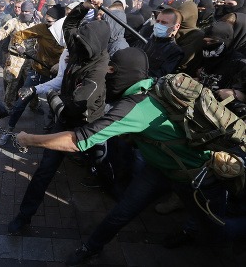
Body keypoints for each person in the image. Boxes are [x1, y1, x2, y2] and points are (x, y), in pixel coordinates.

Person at [15, 47, 243, 266]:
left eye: (112, 71)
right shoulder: (155, 84)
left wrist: (29, 139)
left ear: (124, 73)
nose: (108, 78)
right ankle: (91, 248)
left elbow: (78, 140)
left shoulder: (136, 106)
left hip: (197, 177)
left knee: (217, 230)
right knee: (122, 212)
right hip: (158, 169)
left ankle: (194, 232)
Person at [7, 0, 111, 236]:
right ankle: (23, 218)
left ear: (95, 46)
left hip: (87, 124)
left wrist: (54, 99)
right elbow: (69, 26)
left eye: (82, 45)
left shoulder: (97, 71)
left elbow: (75, 105)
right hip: (65, 119)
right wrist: (85, 8)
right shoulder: (78, 45)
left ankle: (110, 185)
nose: (75, 47)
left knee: (100, 159)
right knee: (45, 170)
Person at [0, 4, 66, 146]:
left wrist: (61, 64)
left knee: (56, 106)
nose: (46, 23)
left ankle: (53, 133)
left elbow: (74, 53)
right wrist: (18, 46)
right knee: (21, 101)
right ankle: (8, 130)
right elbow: (19, 35)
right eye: (45, 19)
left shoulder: (68, 33)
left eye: (50, 21)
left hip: (57, 76)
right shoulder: (41, 28)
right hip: (37, 71)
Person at [0, 0, 39, 109]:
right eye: (22, 11)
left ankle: (34, 105)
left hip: (30, 60)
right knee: (12, 83)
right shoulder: (14, 21)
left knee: (32, 83)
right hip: (15, 59)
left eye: (26, 11)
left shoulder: (36, 24)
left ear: (32, 12)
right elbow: (3, 30)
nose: (23, 13)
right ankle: (8, 105)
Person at [135, 7, 184, 78]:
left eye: (164, 22)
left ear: (176, 26)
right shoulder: (143, 41)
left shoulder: (175, 52)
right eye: (157, 21)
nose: (159, 25)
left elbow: (161, 74)